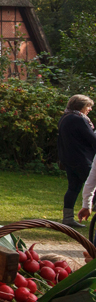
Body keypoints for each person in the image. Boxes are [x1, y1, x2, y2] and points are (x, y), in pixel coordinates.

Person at [59, 95, 96, 228]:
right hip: (82, 159)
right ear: (80, 106)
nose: (90, 109)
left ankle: (67, 217)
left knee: (73, 188)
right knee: (92, 186)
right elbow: (92, 139)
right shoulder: (78, 119)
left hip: (69, 159)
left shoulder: (65, 117)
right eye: (88, 106)